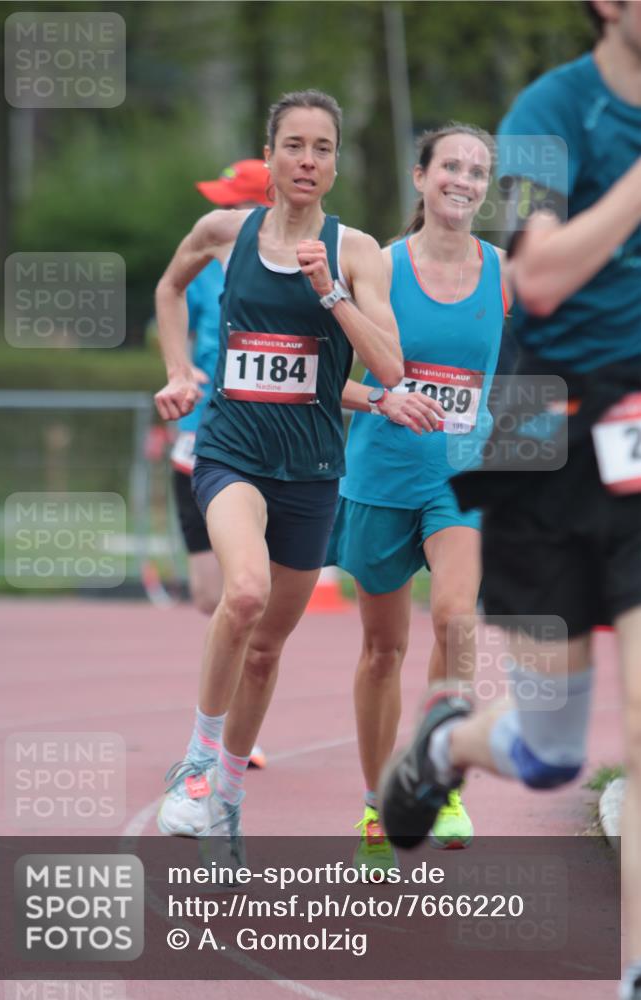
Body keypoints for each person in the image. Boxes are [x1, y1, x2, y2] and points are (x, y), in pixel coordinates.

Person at [379, 4, 641, 998]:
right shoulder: (548, 115)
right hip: (544, 430)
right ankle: (445, 742)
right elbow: (534, 278)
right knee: (548, 753)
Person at [153, 89, 404, 855]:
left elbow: (390, 369)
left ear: (335, 165)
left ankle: (226, 798)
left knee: (266, 650)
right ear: (268, 157)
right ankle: (197, 767)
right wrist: (179, 371)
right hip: (230, 452)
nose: (306, 159)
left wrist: (330, 291)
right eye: (293, 144)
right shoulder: (223, 233)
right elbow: (168, 287)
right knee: (244, 593)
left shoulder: (357, 251)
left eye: (321, 148)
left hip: (312, 471)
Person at [326, 123, 509, 873]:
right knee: (382, 650)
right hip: (380, 476)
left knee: (455, 617)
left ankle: (440, 779)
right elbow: (326, 379)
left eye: (477, 171)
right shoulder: (378, 265)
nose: (463, 180)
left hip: (462, 476)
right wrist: (381, 399)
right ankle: (378, 801)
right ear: (420, 177)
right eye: (450, 166)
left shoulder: (503, 272)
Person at [169, 159, 272, 770]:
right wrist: (178, 369)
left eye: (234, 202)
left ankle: (230, 727)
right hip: (194, 442)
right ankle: (219, 710)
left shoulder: (288, 263)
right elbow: (169, 303)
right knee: (211, 595)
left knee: (245, 592)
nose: (221, 212)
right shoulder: (206, 256)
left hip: (255, 449)